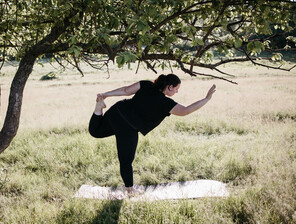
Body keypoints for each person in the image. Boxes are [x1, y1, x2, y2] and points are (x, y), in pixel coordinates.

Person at [88, 74, 216, 195]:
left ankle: (98, 107)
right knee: (126, 160)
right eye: (176, 89)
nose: (177, 92)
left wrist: (105, 95)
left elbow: (126, 90)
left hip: (117, 111)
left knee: (95, 132)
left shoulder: (146, 84)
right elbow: (186, 110)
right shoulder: (166, 103)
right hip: (128, 127)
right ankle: (130, 190)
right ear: (170, 86)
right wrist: (207, 98)